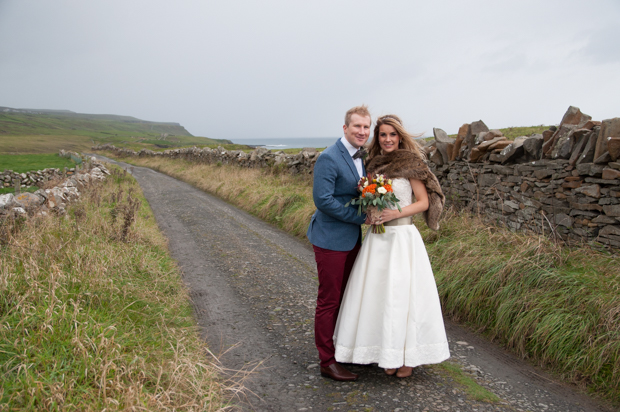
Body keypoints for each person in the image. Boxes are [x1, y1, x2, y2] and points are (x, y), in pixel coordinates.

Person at [333, 114, 450, 378]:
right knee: (379, 295)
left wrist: (395, 214)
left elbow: (423, 202)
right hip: (378, 238)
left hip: (402, 238)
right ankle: (386, 352)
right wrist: (372, 211)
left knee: (403, 297)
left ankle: (407, 358)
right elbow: (370, 199)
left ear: (400, 137)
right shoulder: (372, 166)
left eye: (392, 134)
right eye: (383, 134)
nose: (387, 139)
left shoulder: (410, 164)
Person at [306, 105, 372, 381]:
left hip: (351, 240)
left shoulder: (360, 156)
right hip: (330, 239)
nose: (362, 131)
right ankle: (327, 361)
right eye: (357, 126)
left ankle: (343, 349)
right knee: (329, 299)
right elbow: (323, 200)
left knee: (349, 296)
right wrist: (360, 217)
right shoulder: (329, 157)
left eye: (366, 127)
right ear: (345, 128)